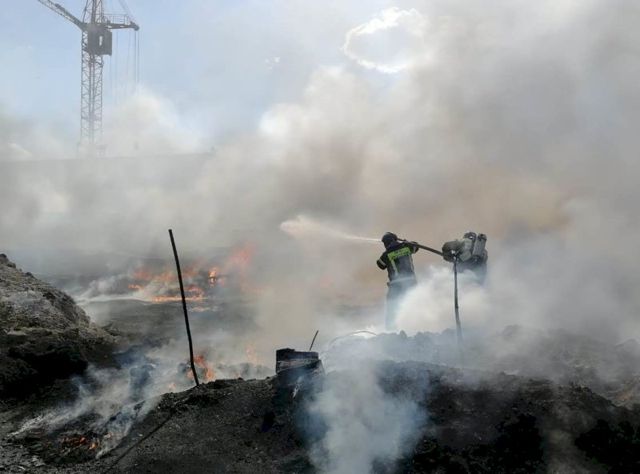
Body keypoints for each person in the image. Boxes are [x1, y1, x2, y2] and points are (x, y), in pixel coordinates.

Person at [376, 232, 419, 330]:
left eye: (385, 243)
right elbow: (416, 246)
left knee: (392, 307)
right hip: (411, 282)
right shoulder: (407, 247)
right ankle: (415, 326)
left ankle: (390, 330)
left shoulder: (386, 255)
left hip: (396, 285)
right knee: (413, 305)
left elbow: (380, 265)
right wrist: (407, 242)